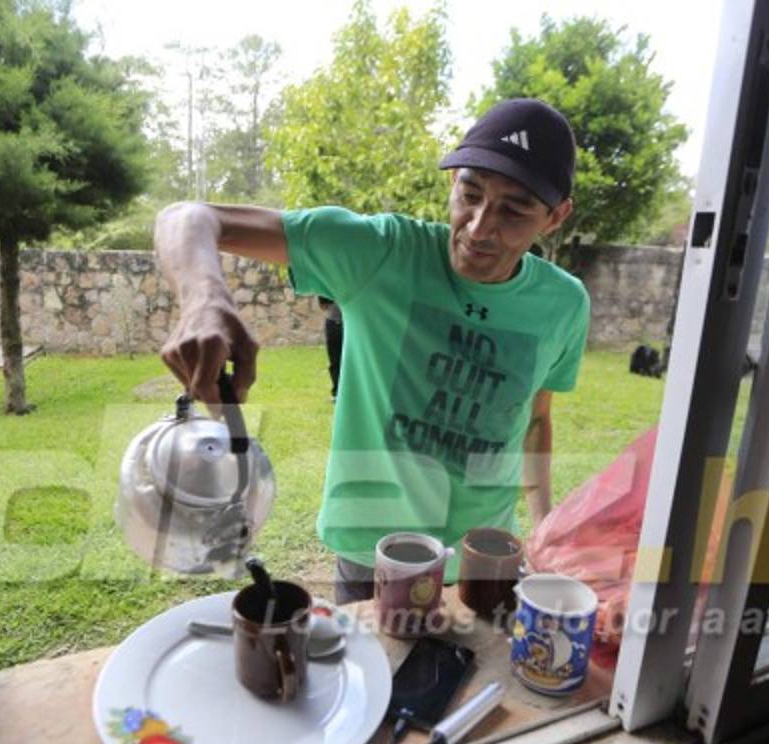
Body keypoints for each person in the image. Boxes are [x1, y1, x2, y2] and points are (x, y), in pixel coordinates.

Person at [155, 98, 590, 603]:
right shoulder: (382, 254)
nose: (478, 227)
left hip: (484, 558)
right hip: (374, 555)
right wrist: (203, 296)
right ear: (453, 184)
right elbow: (186, 217)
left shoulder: (563, 304)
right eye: (470, 194)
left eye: (514, 211)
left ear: (555, 217)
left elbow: (536, 422)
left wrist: (543, 531)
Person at [317, 296, 343, 399]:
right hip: (334, 321)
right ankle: (337, 392)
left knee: (337, 361)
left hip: (339, 321)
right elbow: (323, 305)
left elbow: (323, 305)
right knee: (335, 360)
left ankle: (338, 392)